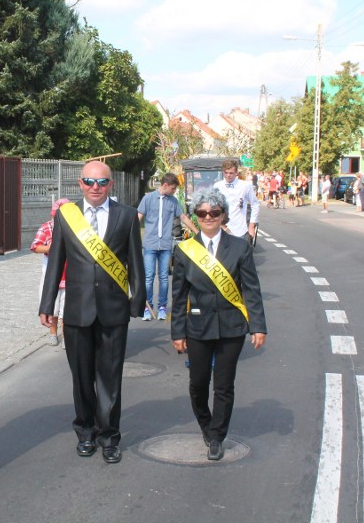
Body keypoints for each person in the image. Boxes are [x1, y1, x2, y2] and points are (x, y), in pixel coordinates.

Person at [39, 161, 146, 464]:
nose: (95, 188)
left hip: (113, 310)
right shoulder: (66, 216)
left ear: (110, 185)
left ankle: (109, 436)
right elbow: (55, 261)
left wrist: (137, 300)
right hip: (77, 309)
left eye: (101, 182)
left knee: (111, 377)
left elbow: (136, 262)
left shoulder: (126, 216)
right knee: (82, 377)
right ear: (80, 184)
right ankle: (85, 431)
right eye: (89, 182)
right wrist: (47, 304)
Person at [170, 188, 267, 461]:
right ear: (196, 216)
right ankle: (205, 423)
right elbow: (178, 296)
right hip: (198, 327)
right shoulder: (186, 250)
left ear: (223, 214)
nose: (208, 217)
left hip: (231, 327)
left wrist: (258, 326)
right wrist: (177, 331)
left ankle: (217, 435)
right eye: (202, 213)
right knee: (198, 384)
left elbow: (251, 290)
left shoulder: (239, 246)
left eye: (214, 212)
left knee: (224, 385)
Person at [137, 173, 182, 321]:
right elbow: (138, 218)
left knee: (163, 277)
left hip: (165, 246)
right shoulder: (148, 199)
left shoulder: (173, 201)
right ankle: (147, 307)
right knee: (149, 277)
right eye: (173, 188)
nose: (174, 191)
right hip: (150, 244)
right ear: (165, 185)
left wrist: (196, 232)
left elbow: (182, 217)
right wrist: (128, 236)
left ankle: (162, 307)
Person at [31, 199, 71, 345]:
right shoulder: (47, 227)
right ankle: (53, 334)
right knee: (52, 306)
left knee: (66, 309)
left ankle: (67, 337)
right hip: (51, 272)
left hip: (70, 274)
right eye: (56, 217)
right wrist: (49, 248)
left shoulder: (75, 229)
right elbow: (35, 246)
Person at [212, 160, 259, 241]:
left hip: (239, 229)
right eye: (226, 173)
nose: (228, 175)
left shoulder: (245, 186)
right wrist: (220, 225)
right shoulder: (217, 186)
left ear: (236, 173)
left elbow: (255, 204)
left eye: (231, 173)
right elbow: (213, 207)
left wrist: (251, 225)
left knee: (239, 253)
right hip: (221, 229)